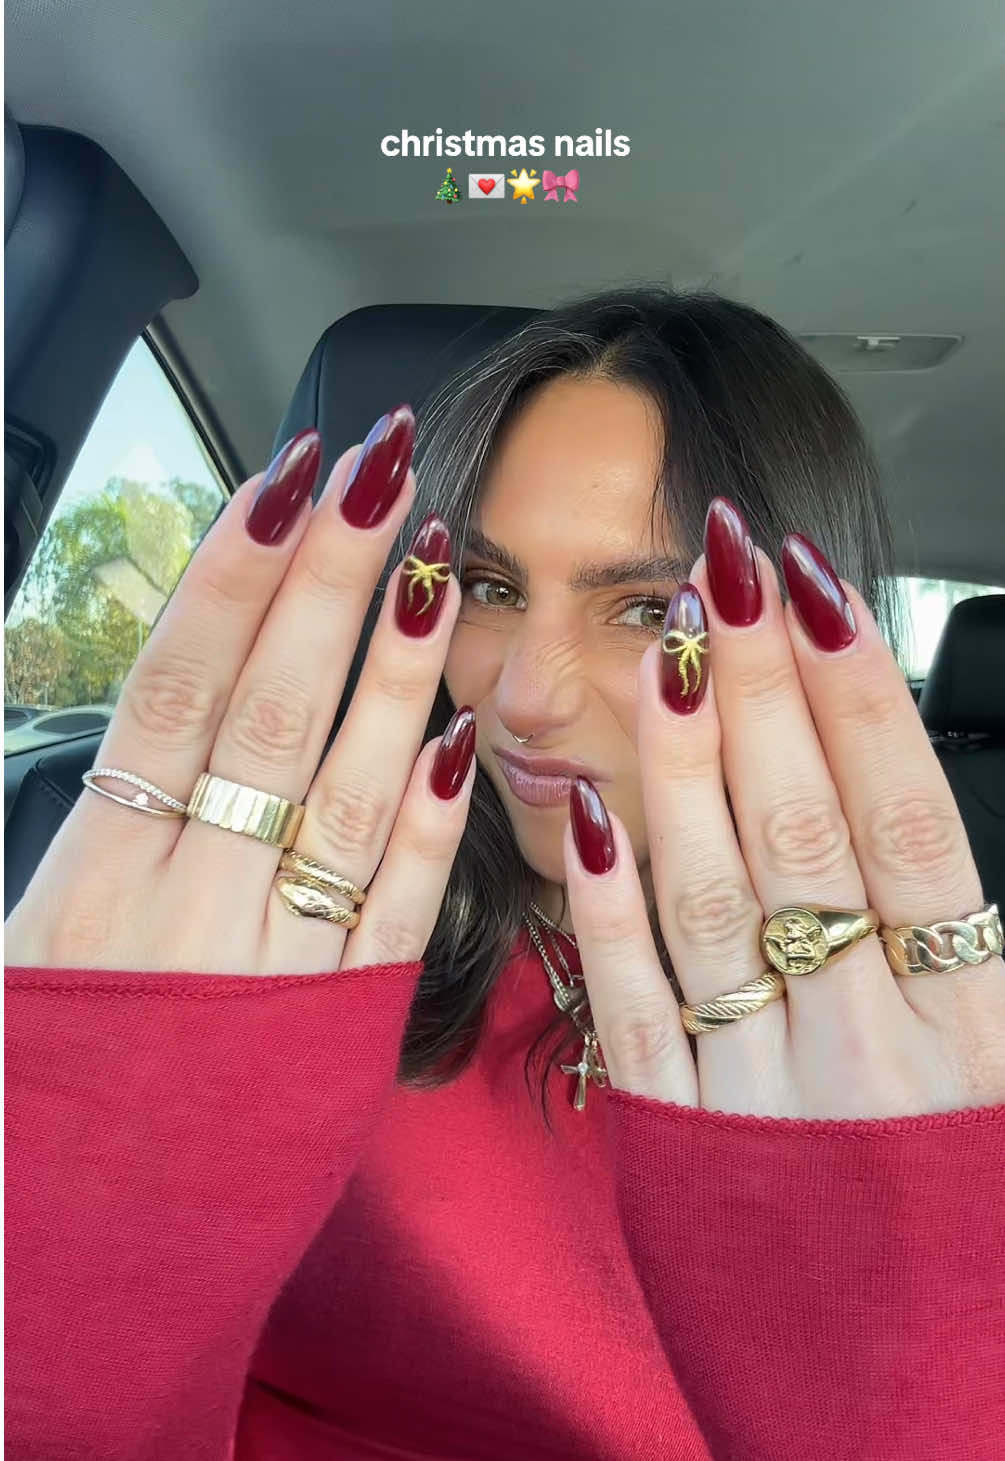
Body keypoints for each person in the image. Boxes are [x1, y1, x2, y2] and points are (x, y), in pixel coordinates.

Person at [6, 286, 1004, 1461]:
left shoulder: (935, 1061)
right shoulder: (234, 942)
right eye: (487, 588)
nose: (522, 695)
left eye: (646, 608)